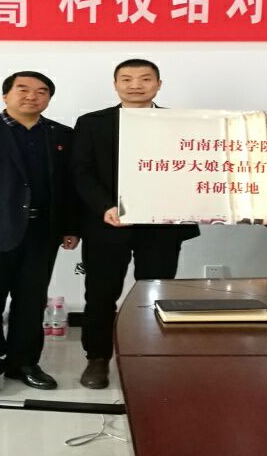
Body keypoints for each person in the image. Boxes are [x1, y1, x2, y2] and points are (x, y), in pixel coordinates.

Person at [72, 59, 200, 390]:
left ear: (159, 84)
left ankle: (150, 357)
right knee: (100, 294)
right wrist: (105, 206)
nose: (135, 85)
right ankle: (97, 358)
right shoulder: (92, 123)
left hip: (161, 226)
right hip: (107, 224)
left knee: (155, 294)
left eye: (145, 79)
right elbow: (81, 172)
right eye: (126, 79)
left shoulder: (181, 122)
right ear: (115, 85)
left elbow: (194, 166)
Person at [0, 71, 78, 396]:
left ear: (49, 98)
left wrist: (71, 226)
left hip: (42, 233)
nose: (32, 96)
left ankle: (24, 363)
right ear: (5, 95)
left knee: (31, 302)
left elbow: (69, 186)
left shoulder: (61, 134)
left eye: (41, 91)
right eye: (23, 89)